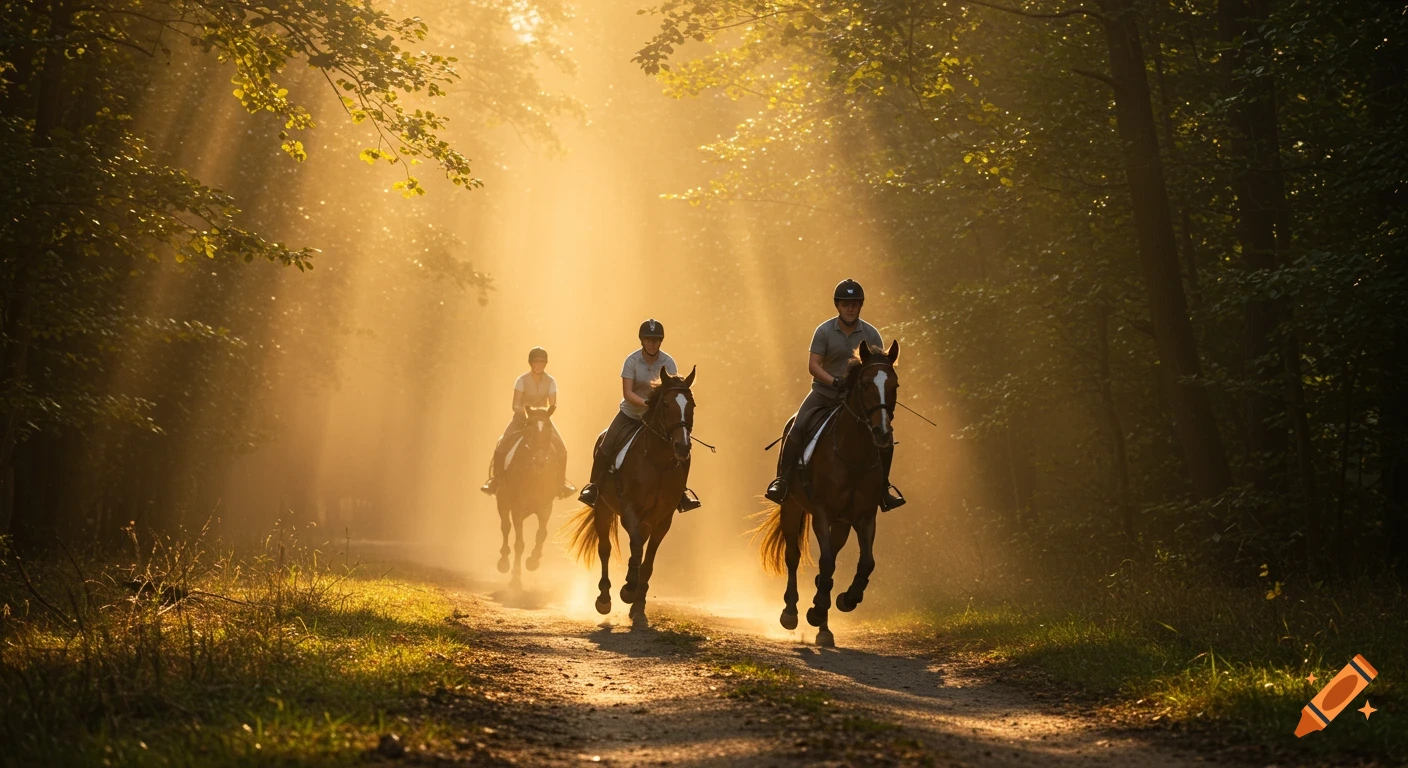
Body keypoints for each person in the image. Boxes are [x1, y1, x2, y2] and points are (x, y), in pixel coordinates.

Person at [764, 279, 905, 510]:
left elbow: (879, 367)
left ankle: (883, 488)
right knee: (797, 427)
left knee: (885, 435)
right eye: (845, 304)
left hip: (858, 399)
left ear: (860, 306)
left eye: (854, 304)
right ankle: (782, 482)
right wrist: (834, 381)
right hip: (824, 393)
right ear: (837, 306)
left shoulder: (871, 334)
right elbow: (813, 365)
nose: (850, 308)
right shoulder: (824, 331)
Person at [577, 319, 702, 512]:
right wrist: (648, 405)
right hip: (630, 414)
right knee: (606, 444)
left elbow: (673, 391)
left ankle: (681, 493)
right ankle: (593, 488)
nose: (652, 343)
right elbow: (628, 393)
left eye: (655, 340)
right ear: (642, 341)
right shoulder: (632, 361)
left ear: (660, 342)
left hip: (658, 420)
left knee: (683, 448)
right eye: (648, 340)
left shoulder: (668, 362)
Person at [481, 347, 575, 498]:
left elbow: (553, 403)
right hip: (521, 420)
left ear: (545, 364)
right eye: (536, 362)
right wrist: (527, 414)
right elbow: (515, 404)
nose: (539, 365)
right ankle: (495, 481)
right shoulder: (521, 380)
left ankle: (561, 484)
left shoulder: (550, 381)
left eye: (542, 362)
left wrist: (542, 414)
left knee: (562, 450)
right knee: (501, 446)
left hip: (542, 421)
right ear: (531, 363)